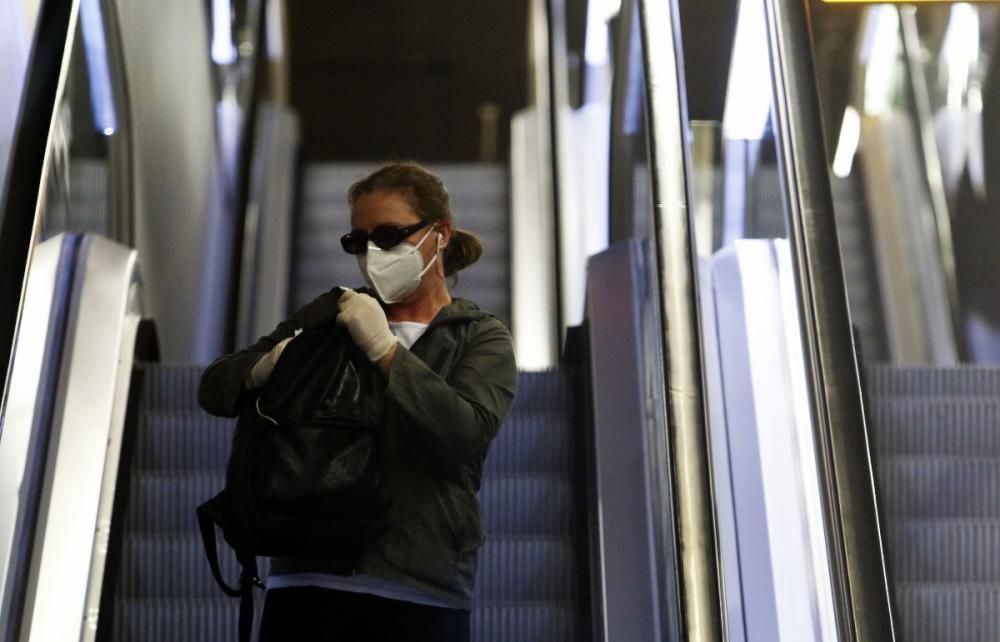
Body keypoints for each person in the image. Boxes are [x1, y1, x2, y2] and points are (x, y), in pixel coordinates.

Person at [197, 162, 518, 642]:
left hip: (419, 583)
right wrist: (262, 369)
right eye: (358, 241)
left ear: (440, 234)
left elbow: (464, 433)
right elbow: (216, 388)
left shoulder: (479, 337)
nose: (373, 254)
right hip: (307, 574)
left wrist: (386, 351)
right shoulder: (331, 315)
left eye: (390, 236)